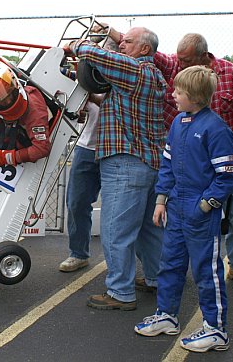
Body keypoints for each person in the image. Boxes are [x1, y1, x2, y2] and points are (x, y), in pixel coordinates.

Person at [103, 26, 233, 289]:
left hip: (222, 159)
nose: (179, 64)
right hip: (189, 159)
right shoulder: (174, 65)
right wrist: (113, 33)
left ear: (203, 57)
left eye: (185, 60)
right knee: (182, 212)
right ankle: (187, 271)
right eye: (178, 58)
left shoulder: (231, 74)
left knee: (231, 213)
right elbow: (147, 48)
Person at [134, 66, 233, 353]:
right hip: (176, 210)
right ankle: (167, 315)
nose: (173, 95)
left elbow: (229, 174)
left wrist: (207, 205)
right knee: (170, 264)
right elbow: (167, 166)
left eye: (178, 92)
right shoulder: (179, 123)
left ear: (194, 96)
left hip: (200, 213)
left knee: (207, 272)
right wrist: (160, 200)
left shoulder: (216, 129)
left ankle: (216, 330)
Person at [65, 26, 166, 310]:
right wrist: (96, 100)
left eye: (128, 42)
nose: (122, 45)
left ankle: (120, 292)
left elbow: (89, 52)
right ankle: (157, 279)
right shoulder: (152, 76)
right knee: (149, 229)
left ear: (145, 49)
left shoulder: (134, 70)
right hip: (149, 164)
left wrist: (75, 43)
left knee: (115, 230)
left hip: (125, 163)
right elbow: (121, 105)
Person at [58, 93, 104, 272]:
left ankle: (121, 262)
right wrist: (79, 109)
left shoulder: (119, 75)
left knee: (116, 211)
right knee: (76, 203)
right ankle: (78, 254)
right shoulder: (86, 82)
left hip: (115, 149)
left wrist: (92, 98)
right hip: (85, 148)